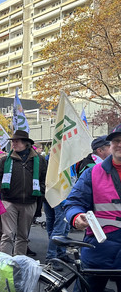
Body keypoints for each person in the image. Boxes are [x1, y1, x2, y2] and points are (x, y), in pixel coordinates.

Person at [65, 123, 121, 291]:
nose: (119, 144)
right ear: (110, 145)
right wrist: (76, 217)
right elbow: (73, 203)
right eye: (116, 141)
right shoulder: (92, 173)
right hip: (99, 251)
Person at [0, 130, 47, 256]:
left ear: (26, 143)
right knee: (8, 234)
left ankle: (18, 264)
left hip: (29, 202)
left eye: (16, 141)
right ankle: (4, 264)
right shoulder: (6, 159)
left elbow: (44, 178)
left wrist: (41, 190)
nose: (13, 144)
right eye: (13, 142)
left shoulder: (39, 160)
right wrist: (3, 188)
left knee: (23, 236)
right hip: (9, 202)